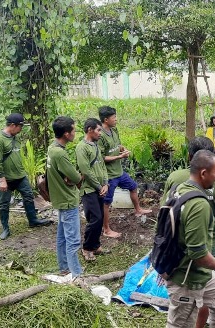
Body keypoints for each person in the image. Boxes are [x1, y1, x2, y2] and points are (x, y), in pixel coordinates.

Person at [162, 137, 215, 328]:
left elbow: (163, 218)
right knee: (181, 322)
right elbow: (197, 253)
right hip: (187, 274)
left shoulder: (179, 186)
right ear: (204, 173)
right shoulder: (199, 205)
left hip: (199, 269)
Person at [0, 113, 51, 240]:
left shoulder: (15, 138)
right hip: (5, 178)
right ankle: (5, 228)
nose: (21, 129)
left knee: (29, 196)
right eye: (20, 126)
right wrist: (2, 180)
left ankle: (33, 220)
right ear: (13, 125)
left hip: (20, 176)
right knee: (3, 203)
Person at [98, 106, 152, 238]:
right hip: (109, 175)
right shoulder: (100, 136)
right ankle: (106, 229)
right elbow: (101, 158)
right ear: (106, 119)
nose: (116, 119)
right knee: (106, 202)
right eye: (114, 117)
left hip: (119, 171)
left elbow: (118, 145)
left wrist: (123, 149)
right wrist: (119, 157)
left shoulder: (114, 130)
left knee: (133, 187)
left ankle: (138, 210)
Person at [48, 116, 84, 279]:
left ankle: (64, 267)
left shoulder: (52, 148)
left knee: (62, 237)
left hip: (60, 199)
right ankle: (77, 273)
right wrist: (75, 176)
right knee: (73, 240)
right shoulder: (60, 154)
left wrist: (69, 177)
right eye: (73, 130)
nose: (75, 133)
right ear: (66, 134)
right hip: (68, 200)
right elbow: (76, 178)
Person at [76, 118, 110, 262]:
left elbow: (102, 166)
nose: (100, 133)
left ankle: (95, 246)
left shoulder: (95, 146)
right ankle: (87, 248)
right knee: (94, 219)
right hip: (89, 189)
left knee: (100, 218)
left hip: (100, 188)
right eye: (98, 130)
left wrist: (106, 184)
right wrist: (98, 186)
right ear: (90, 130)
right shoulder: (81, 148)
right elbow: (86, 170)